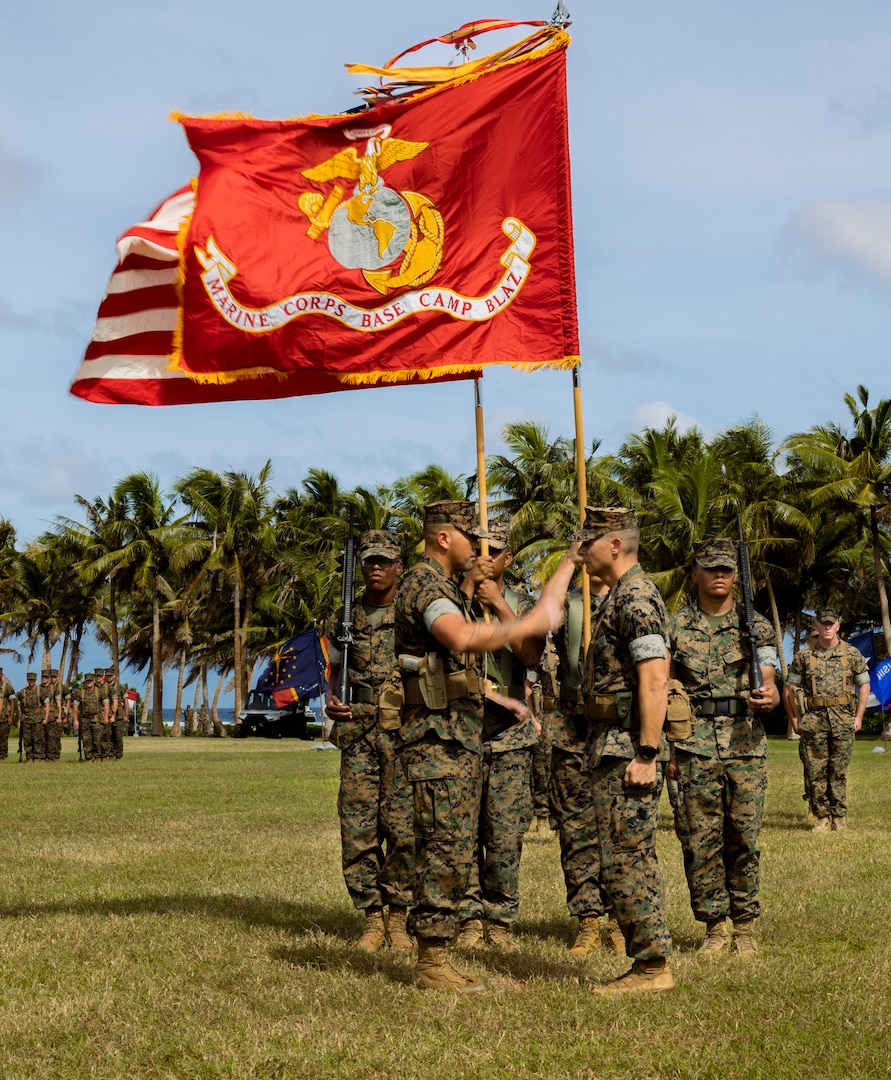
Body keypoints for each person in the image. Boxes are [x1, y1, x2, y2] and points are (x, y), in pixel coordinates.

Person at [394, 500, 568, 993]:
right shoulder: (426, 585)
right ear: (445, 539)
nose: (479, 549)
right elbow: (461, 636)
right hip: (436, 742)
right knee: (445, 847)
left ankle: (438, 953)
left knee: (453, 845)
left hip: (454, 739)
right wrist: (524, 625)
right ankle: (431, 960)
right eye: (472, 538)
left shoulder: (446, 585)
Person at [572, 506, 673, 994]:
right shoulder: (620, 596)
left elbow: (655, 677)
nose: (580, 549)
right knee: (622, 855)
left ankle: (653, 966)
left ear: (614, 544)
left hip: (627, 747)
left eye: (587, 540)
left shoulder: (634, 597)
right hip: (610, 745)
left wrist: (646, 755)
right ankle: (649, 962)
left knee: (628, 858)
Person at [667, 538, 780, 956]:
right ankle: (714, 927)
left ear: (736, 575)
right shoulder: (675, 627)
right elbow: (663, 688)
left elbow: (767, 675)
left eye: (726, 569)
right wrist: (667, 752)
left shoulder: (757, 626)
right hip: (693, 745)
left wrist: (769, 693)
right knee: (700, 840)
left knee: (744, 838)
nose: (719, 575)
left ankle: (745, 928)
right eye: (710, 568)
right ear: (694, 572)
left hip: (744, 743)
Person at [455, 521, 544, 950]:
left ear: (508, 559)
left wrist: (500, 607)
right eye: (475, 549)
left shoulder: (521, 604)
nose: (482, 557)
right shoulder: (451, 600)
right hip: (463, 729)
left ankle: (500, 920)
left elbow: (531, 655)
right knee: (463, 831)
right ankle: (468, 917)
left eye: (492, 551)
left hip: (509, 735)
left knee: (505, 834)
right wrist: (473, 595)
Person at [326, 529, 415, 953]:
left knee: (402, 828)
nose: (375, 567)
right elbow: (335, 671)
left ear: (399, 566)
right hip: (358, 731)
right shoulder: (345, 619)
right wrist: (330, 699)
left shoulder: (413, 614)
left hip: (402, 732)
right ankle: (372, 918)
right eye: (368, 561)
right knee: (357, 827)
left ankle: (398, 917)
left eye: (383, 561)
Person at [541, 574, 624, 957]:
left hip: (617, 729)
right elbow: (536, 628)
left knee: (620, 831)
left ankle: (620, 922)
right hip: (571, 726)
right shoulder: (569, 603)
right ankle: (587, 920)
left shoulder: (633, 601)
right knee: (576, 832)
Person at [784, 608, 870, 832]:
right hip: (814, 721)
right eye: (824, 624)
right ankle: (822, 817)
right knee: (816, 771)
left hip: (843, 720)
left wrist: (859, 716)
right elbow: (791, 686)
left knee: (838, 771)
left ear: (838, 626)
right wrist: (798, 716)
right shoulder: (804, 656)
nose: (828, 627)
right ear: (817, 626)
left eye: (832, 623)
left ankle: (839, 817)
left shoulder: (851, 654)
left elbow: (864, 684)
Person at [73, 670, 109, 762]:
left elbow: (106, 705)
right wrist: (76, 720)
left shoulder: (100, 692)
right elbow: (75, 706)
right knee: (86, 740)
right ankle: (88, 757)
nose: (89, 683)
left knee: (97, 740)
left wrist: (105, 717)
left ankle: (97, 757)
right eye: (87, 681)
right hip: (85, 720)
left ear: (94, 681)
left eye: (90, 681)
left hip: (96, 720)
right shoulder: (81, 693)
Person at [17, 672, 45, 762]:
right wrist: (19, 720)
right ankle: (29, 757)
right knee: (27, 739)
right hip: (26, 719)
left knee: (37, 739)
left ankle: (37, 757)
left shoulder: (41, 691)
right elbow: (19, 707)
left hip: (37, 719)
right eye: (29, 679)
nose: (31, 681)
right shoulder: (22, 692)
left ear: (35, 680)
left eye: (32, 680)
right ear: (27, 680)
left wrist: (46, 717)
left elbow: (47, 705)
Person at [0, 668, 14, 761]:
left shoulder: (7, 687)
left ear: (1, 675)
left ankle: (2, 756)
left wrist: (11, 716)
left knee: (3, 737)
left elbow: (12, 702)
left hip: (3, 717)